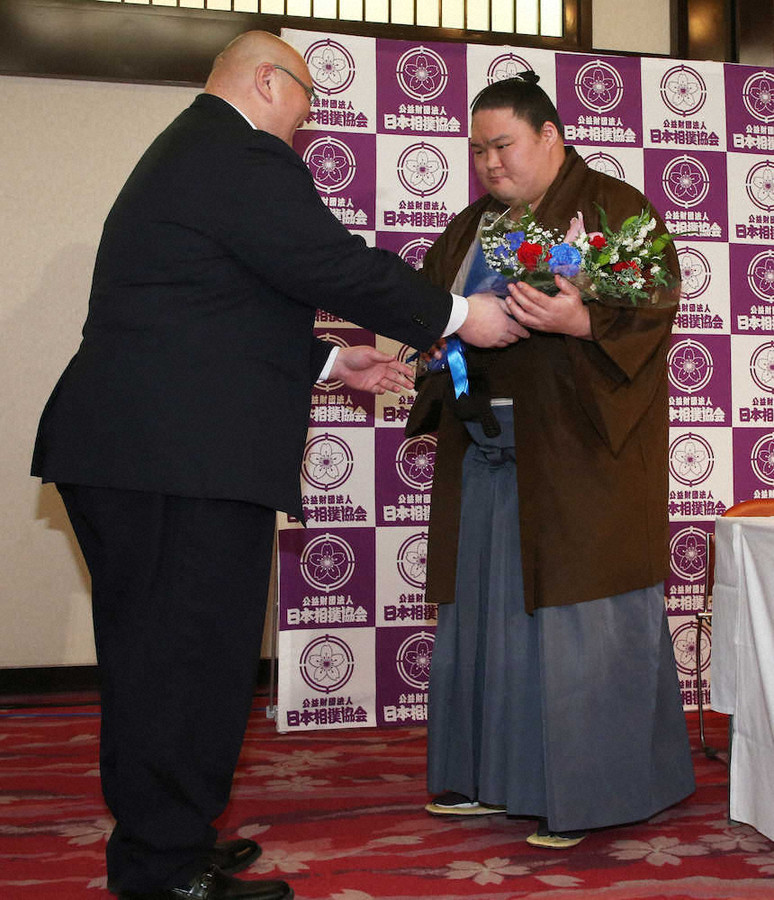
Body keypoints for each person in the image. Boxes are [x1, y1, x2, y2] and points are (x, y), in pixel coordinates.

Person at [31, 32, 527, 900]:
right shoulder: (237, 152)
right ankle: (164, 867)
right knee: (182, 662)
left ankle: (168, 840)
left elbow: (214, 306)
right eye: (305, 99)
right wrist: (459, 316)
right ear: (268, 81)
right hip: (173, 457)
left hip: (153, 450)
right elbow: (327, 263)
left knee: (166, 658)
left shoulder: (197, 151)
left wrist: (334, 363)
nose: (307, 120)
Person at [407, 73, 695, 849]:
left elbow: (656, 304)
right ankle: (493, 780)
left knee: (578, 624)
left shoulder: (614, 207)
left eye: (503, 145)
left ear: (550, 137)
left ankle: (597, 795)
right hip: (487, 448)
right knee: (487, 616)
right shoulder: (473, 227)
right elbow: (433, 308)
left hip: (580, 454)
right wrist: (438, 337)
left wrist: (582, 320)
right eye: (478, 151)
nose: (490, 164)